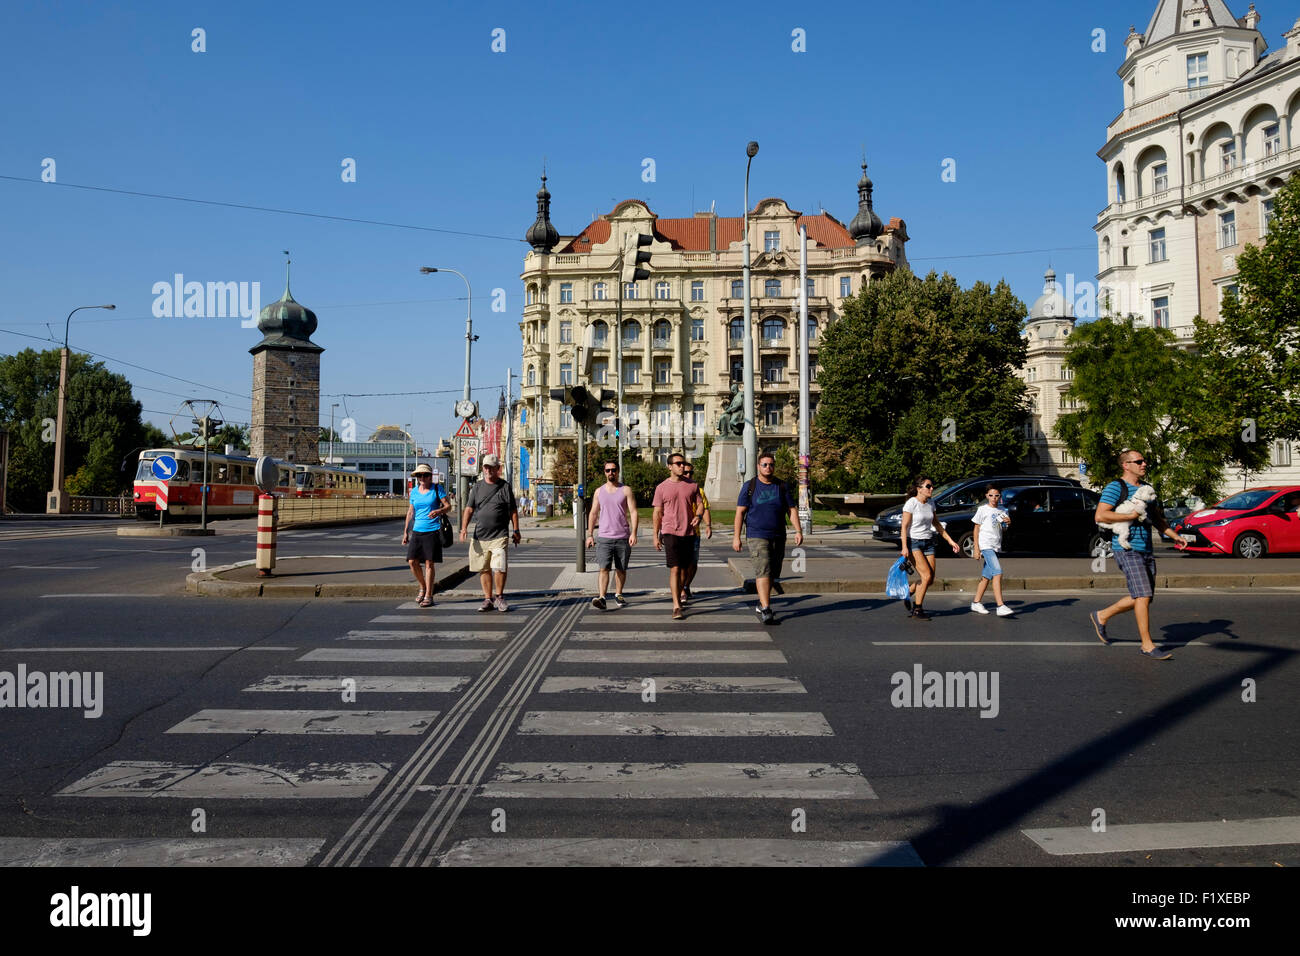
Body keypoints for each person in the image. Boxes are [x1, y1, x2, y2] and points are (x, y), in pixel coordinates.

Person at [1089, 449, 1187, 659]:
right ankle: (1147, 645)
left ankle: (1102, 615)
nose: (1144, 464)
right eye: (1139, 461)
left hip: (1146, 549)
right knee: (1142, 595)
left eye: (1144, 461)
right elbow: (1101, 515)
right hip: (1126, 548)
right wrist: (1131, 515)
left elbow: (1157, 519)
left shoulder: (1147, 489)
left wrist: (1174, 536)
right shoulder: (1116, 487)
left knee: (1144, 597)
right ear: (1126, 465)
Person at [733, 450, 803, 624]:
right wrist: (736, 537)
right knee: (763, 569)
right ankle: (766, 608)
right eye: (764, 464)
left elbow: (791, 509)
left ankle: (761, 602)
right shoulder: (750, 486)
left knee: (773, 572)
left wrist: (798, 530)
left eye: (771, 465)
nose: (768, 467)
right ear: (758, 466)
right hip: (757, 534)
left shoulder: (782, 486)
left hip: (778, 535)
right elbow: (740, 512)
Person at [460, 453, 521, 612]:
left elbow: (513, 511)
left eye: (491, 468)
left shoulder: (505, 487)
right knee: (484, 568)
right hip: (480, 536)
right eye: (485, 467)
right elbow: (469, 509)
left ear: (497, 469)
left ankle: (499, 597)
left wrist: (516, 530)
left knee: (499, 566)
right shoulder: (477, 487)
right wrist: (464, 528)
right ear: (483, 468)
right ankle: (488, 599)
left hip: (500, 535)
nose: (488, 470)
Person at [900, 475, 962, 621]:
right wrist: (904, 547)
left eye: (932, 486)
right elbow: (904, 526)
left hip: (928, 542)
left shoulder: (930, 503)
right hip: (914, 543)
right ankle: (917, 609)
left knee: (930, 579)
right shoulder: (911, 503)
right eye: (928, 486)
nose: (931, 488)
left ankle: (908, 591)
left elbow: (937, 524)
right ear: (919, 489)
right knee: (926, 576)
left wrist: (950, 541)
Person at [653, 451, 701, 620]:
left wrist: (698, 516)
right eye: (678, 464)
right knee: (675, 568)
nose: (682, 466)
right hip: (669, 531)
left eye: (683, 463)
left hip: (688, 532)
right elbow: (657, 513)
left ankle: (681, 592)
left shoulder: (692, 485)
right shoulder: (661, 487)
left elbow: (700, 504)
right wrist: (655, 535)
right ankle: (676, 606)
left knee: (684, 570)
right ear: (669, 467)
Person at [586, 458, 638, 609]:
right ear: (604, 472)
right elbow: (593, 513)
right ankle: (602, 597)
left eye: (613, 470)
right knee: (604, 568)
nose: (611, 473)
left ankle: (618, 594)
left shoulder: (626, 490)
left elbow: (633, 512)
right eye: (608, 470)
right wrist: (590, 535)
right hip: (604, 538)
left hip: (622, 537)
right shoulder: (599, 491)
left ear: (618, 471)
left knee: (621, 569)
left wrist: (634, 533)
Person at [402, 463, 450, 608]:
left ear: (430, 477)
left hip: (433, 530)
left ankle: (429, 595)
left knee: (429, 563)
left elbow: (448, 506)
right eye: (419, 475)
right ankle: (423, 586)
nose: (422, 478)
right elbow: (410, 512)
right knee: (412, 561)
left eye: (425, 475)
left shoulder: (437, 489)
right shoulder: (414, 492)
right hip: (417, 530)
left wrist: (438, 511)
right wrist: (405, 531)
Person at [970, 485, 1013, 616]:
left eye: (996, 495)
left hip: (996, 545)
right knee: (997, 572)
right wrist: (976, 548)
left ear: (1000, 496)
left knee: (986, 576)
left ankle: (976, 603)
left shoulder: (1003, 510)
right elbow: (976, 528)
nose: (994, 498)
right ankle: (1000, 605)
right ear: (986, 496)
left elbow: (1002, 528)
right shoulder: (982, 509)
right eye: (991, 495)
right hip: (986, 545)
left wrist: (1008, 523)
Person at [680, 460, 712, 604]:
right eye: (685, 472)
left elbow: (705, 508)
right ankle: (681, 589)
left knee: (693, 563)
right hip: (678, 533)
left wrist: (708, 525)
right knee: (681, 564)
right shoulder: (675, 488)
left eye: (690, 473)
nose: (688, 475)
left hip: (694, 533)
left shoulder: (698, 490)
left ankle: (686, 585)